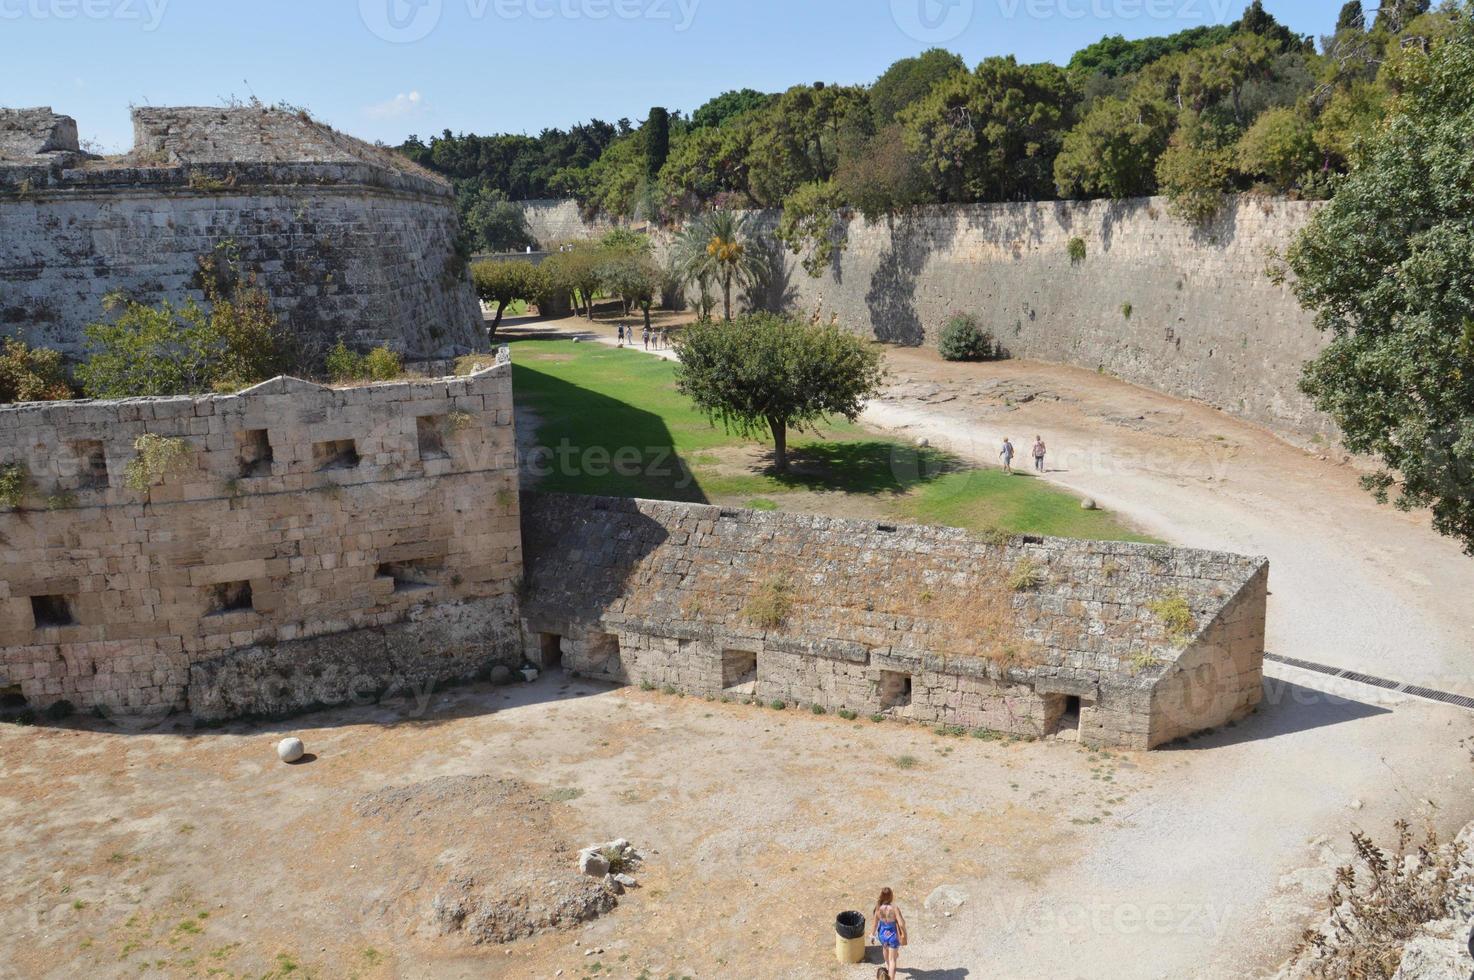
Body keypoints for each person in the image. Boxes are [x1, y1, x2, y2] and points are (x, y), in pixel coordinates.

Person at [871, 887, 907, 980]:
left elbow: (874, 924)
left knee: (885, 950)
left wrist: (872, 936)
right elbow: (901, 924)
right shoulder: (894, 908)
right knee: (893, 960)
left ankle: (886, 967)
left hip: (882, 935)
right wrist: (904, 933)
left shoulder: (878, 908)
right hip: (893, 936)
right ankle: (890, 977)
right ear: (891, 896)